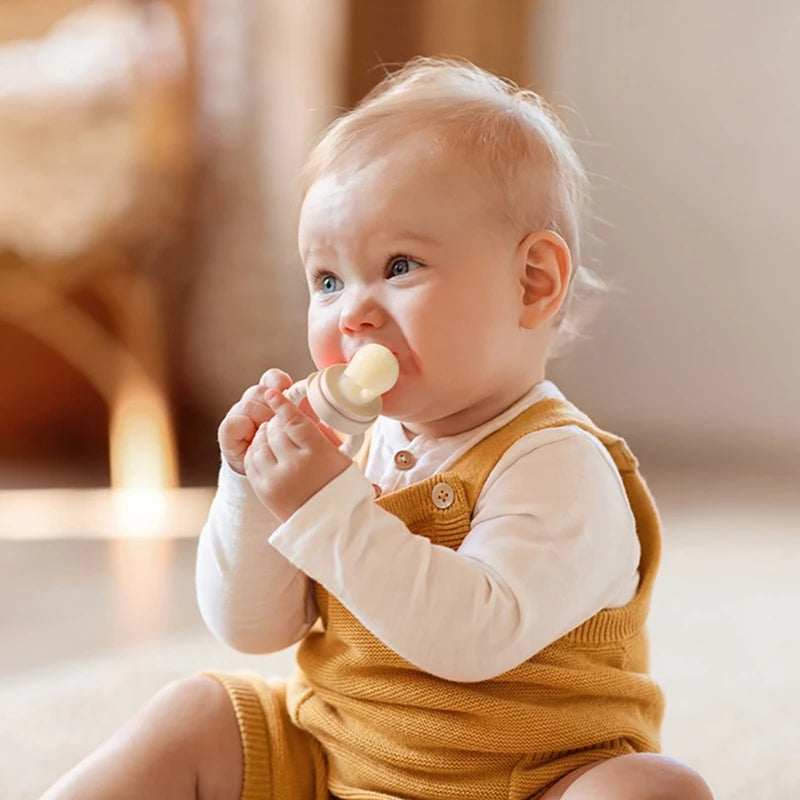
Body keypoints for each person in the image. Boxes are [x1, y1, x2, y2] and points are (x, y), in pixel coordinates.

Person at [43, 57, 714, 800]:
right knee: (198, 711)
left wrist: (326, 506)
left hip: (523, 782)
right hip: (336, 763)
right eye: (327, 281)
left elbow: (472, 636)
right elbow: (252, 628)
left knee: (652, 790)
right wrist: (254, 490)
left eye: (399, 266)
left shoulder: (560, 466)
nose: (352, 314)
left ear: (532, 282)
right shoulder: (366, 450)